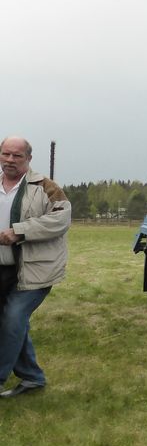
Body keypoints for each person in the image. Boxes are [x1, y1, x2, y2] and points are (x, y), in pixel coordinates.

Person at [0, 136, 71, 398]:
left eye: (17, 155)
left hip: (34, 270)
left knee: (13, 318)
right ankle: (32, 377)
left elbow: (61, 219)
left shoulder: (45, 187)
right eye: (6, 154)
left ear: (28, 158)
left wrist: (19, 231)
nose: (10, 160)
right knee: (13, 323)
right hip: (2, 268)